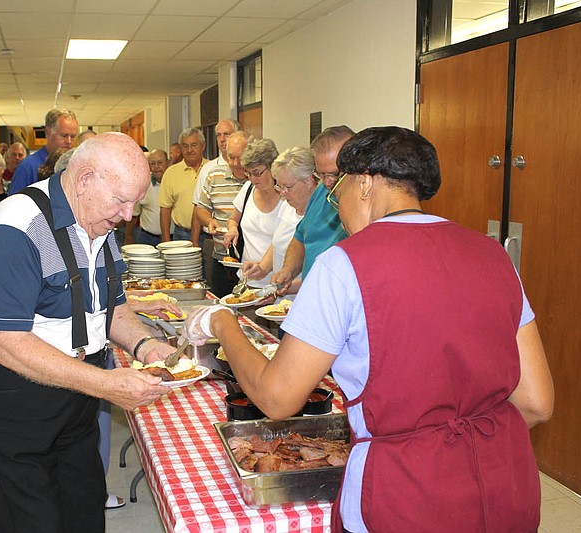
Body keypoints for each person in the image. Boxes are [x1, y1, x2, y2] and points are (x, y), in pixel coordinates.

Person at [183, 126, 554, 533]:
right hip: (506, 485)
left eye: (335, 190)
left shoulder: (344, 264)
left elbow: (276, 397)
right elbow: (536, 402)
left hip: (406, 494)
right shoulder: (494, 255)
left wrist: (222, 322)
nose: (335, 205)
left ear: (364, 184)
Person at [0, 132, 176, 532]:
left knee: (84, 510)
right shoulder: (14, 228)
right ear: (84, 179)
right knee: (33, 520)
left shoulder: (99, 224)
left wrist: (145, 345)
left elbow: (112, 305)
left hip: (73, 389)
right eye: (120, 201)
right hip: (6, 395)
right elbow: (6, 343)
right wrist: (106, 385)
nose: (128, 216)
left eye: (134, 204)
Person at [271, 126, 352, 293]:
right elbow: (300, 238)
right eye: (321, 175)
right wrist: (288, 270)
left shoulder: (364, 208)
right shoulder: (321, 193)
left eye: (334, 174)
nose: (328, 182)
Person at [242, 147, 317, 294]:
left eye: (287, 187)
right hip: (281, 300)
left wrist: (283, 287)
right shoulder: (286, 206)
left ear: (309, 181)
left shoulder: (321, 216)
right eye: (280, 186)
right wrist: (262, 268)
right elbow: (277, 244)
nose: (282, 193)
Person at [223, 138, 293, 288]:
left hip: (276, 283)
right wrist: (233, 229)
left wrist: (262, 268)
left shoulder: (287, 197)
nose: (252, 178)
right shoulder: (248, 189)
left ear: (272, 167)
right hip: (247, 279)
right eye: (248, 173)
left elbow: (280, 242)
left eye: (257, 173)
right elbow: (233, 219)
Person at [193, 132, 250, 297]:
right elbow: (200, 209)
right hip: (222, 259)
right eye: (231, 158)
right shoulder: (214, 176)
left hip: (250, 263)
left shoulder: (258, 179)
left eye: (240, 158)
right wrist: (209, 220)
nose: (236, 163)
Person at [190, 119, 241, 246]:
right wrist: (195, 242)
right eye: (218, 135)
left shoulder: (252, 171)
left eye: (227, 134)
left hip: (245, 247)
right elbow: (199, 208)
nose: (222, 139)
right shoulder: (208, 170)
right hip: (217, 243)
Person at [8, 109, 78, 194]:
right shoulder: (28, 167)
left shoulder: (76, 165)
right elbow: (14, 203)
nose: (69, 141)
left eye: (73, 136)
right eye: (64, 135)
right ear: (48, 133)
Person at [158, 128, 208, 243]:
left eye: (194, 145)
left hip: (209, 235)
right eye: (185, 146)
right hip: (182, 235)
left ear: (203, 146)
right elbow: (165, 209)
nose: (189, 150)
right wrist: (165, 240)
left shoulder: (212, 169)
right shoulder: (171, 173)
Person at [125, 149, 172, 246]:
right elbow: (134, 214)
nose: (156, 167)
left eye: (160, 162)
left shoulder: (175, 183)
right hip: (147, 239)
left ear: (167, 163)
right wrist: (129, 236)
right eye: (152, 163)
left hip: (173, 239)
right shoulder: (143, 184)